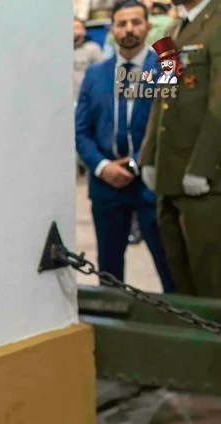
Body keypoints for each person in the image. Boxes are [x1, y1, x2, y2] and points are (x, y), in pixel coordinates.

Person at [75, 0, 174, 290]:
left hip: (154, 183)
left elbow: (179, 126)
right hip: (107, 185)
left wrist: (140, 162)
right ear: (112, 29)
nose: (129, 29)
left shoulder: (167, 68)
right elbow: (80, 130)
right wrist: (102, 167)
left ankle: (180, 328)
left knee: (169, 266)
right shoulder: (95, 74)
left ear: (147, 25)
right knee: (109, 271)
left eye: (135, 22)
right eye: (121, 23)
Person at [139, 0, 221, 296]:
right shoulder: (175, 30)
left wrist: (203, 166)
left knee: (211, 280)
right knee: (181, 278)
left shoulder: (217, 22)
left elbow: (219, 104)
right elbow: (164, 97)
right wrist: (149, 156)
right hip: (171, 176)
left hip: (206, 181)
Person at [74, 17, 106, 100]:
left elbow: (102, 76)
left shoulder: (93, 49)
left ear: (84, 31)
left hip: (83, 99)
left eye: (76, 28)